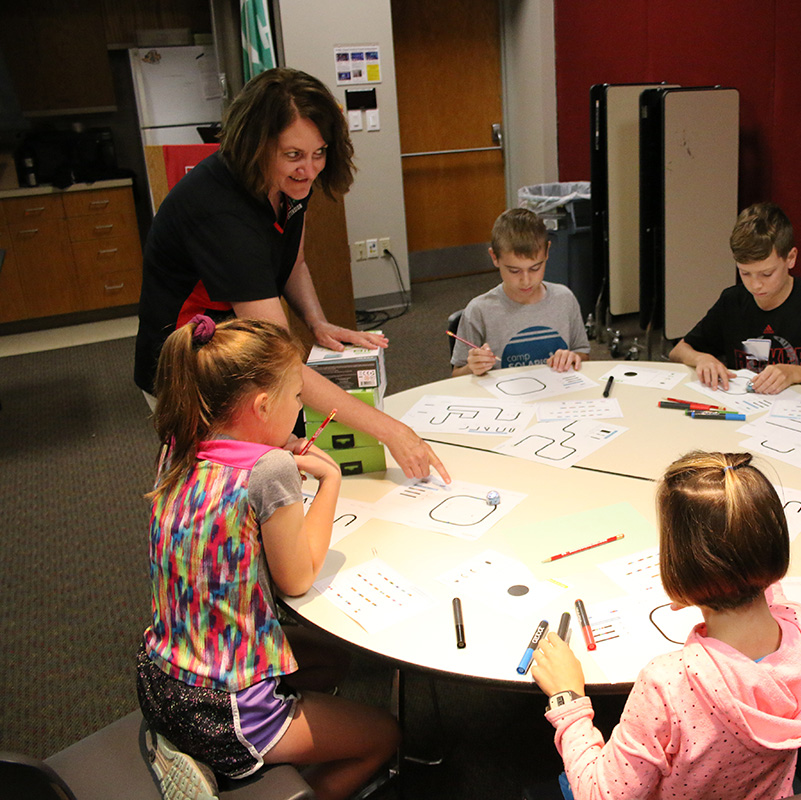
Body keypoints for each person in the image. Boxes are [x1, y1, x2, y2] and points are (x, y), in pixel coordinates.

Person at [133, 67, 447, 482]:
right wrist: (389, 430)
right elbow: (280, 360)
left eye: (319, 153)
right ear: (256, 146)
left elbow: (292, 261)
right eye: (293, 155)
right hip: (188, 363)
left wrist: (316, 322)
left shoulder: (288, 184)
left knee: (275, 463)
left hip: (237, 342)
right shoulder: (222, 212)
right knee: (224, 490)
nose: (309, 169)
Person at [136, 316, 400, 800]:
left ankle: (206, 754)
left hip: (160, 680)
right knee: (383, 735)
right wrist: (330, 481)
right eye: (297, 397)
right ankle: (237, 755)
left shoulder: (177, 444)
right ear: (262, 405)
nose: (301, 409)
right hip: (222, 706)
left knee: (330, 661)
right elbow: (297, 579)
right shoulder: (270, 469)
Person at [529, 451, 801, 800]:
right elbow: (773, 597)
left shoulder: (669, 684)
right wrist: (701, 584)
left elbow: (602, 795)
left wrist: (568, 700)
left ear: (678, 564)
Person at [669, 202, 801, 394]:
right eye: (745, 273)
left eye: (767, 274)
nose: (755, 285)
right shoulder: (732, 301)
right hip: (749, 408)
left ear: (791, 258)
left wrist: (794, 373)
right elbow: (678, 351)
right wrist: (702, 359)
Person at [450, 208, 590, 376]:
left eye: (535, 268)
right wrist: (472, 368)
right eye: (514, 271)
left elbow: (583, 354)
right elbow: (456, 375)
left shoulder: (564, 299)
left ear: (547, 252)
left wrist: (572, 357)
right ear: (494, 257)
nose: (526, 280)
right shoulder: (479, 311)